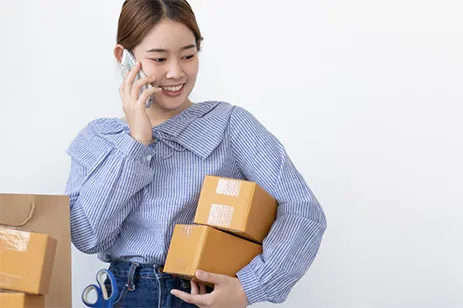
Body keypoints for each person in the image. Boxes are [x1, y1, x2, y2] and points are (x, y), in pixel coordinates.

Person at [65, 0, 327, 307]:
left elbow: (302, 208)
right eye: (159, 58)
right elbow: (87, 237)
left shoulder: (229, 124)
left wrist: (250, 287)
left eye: (188, 55)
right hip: (122, 295)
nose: (176, 72)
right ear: (124, 58)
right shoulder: (98, 138)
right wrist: (136, 141)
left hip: (199, 296)